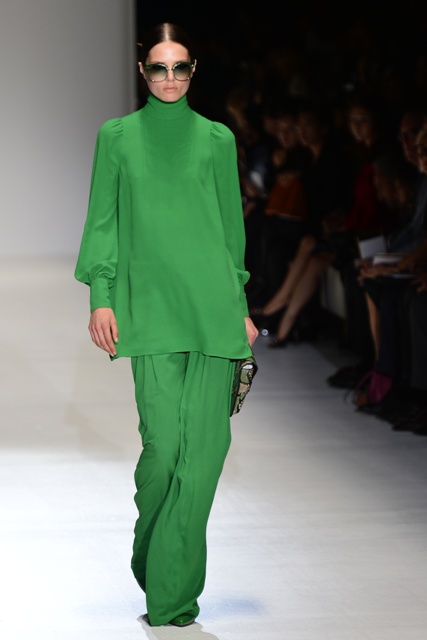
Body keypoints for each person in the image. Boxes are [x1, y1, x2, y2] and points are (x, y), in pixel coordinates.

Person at [74, 22, 258, 628]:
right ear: (142, 71)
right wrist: (102, 296)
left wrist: (241, 305)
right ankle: (153, 554)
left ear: (194, 70)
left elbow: (231, 231)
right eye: (159, 67)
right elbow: (103, 222)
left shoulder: (217, 139)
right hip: (150, 312)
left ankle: (172, 592)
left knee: (203, 455)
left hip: (214, 312)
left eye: (180, 67)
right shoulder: (118, 137)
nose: (170, 78)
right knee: (161, 452)